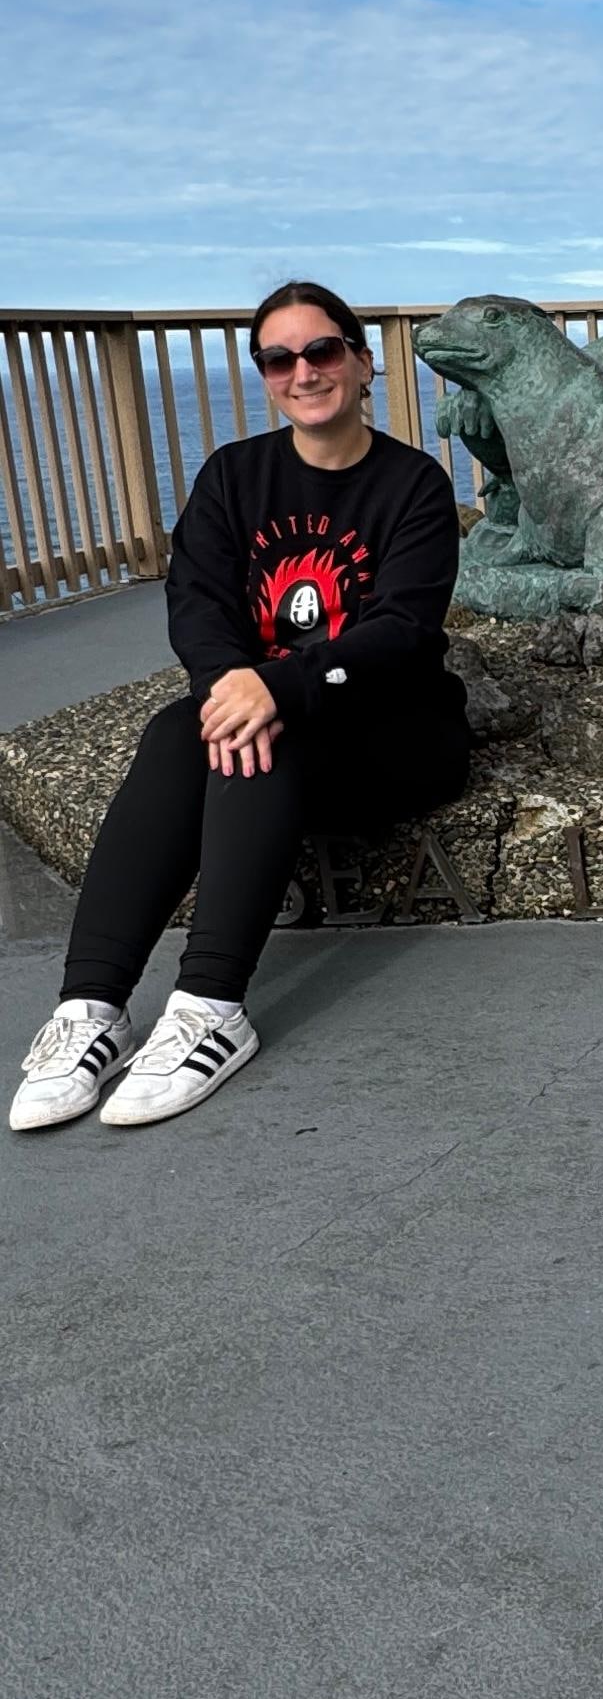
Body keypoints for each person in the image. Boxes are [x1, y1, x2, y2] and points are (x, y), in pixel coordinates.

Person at [10, 284, 470, 1133]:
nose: (304, 371)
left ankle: (212, 1003)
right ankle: (90, 1010)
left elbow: (403, 632)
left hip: (397, 728)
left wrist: (278, 687)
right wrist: (234, 684)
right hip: (265, 713)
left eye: (324, 351)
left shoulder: (412, 484)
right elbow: (196, 602)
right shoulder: (233, 475)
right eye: (280, 358)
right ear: (264, 374)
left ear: (363, 363)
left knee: (269, 736)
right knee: (179, 732)